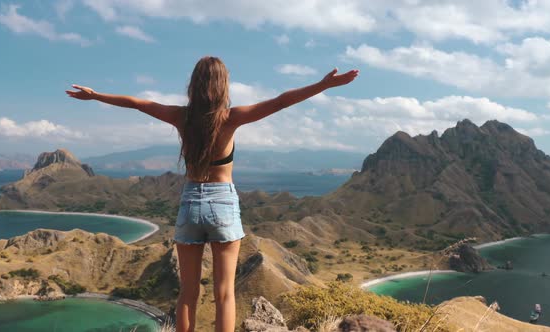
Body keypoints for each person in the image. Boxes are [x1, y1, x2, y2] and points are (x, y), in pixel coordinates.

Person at [66, 56, 358, 332]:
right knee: (225, 293)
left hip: (191, 203)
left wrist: (96, 95)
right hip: (223, 205)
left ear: (193, 85)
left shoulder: (181, 117)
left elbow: (137, 103)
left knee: (188, 292)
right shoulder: (230, 118)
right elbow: (281, 101)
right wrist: (323, 85)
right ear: (223, 86)